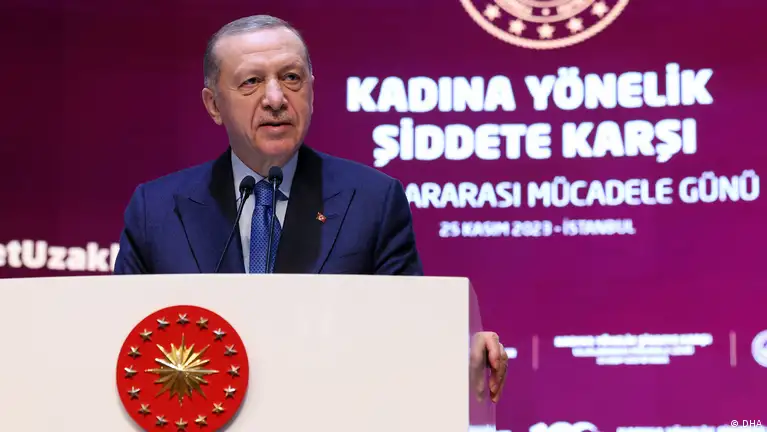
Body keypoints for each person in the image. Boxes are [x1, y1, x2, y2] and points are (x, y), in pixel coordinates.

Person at [113, 15, 508, 402]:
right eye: (251, 82)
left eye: (291, 78)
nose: (275, 99)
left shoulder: (372, 200)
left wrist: (461, 349)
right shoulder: (157, 210)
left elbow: (409, 331)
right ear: (214, 104)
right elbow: (121, 343)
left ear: (312, 92)